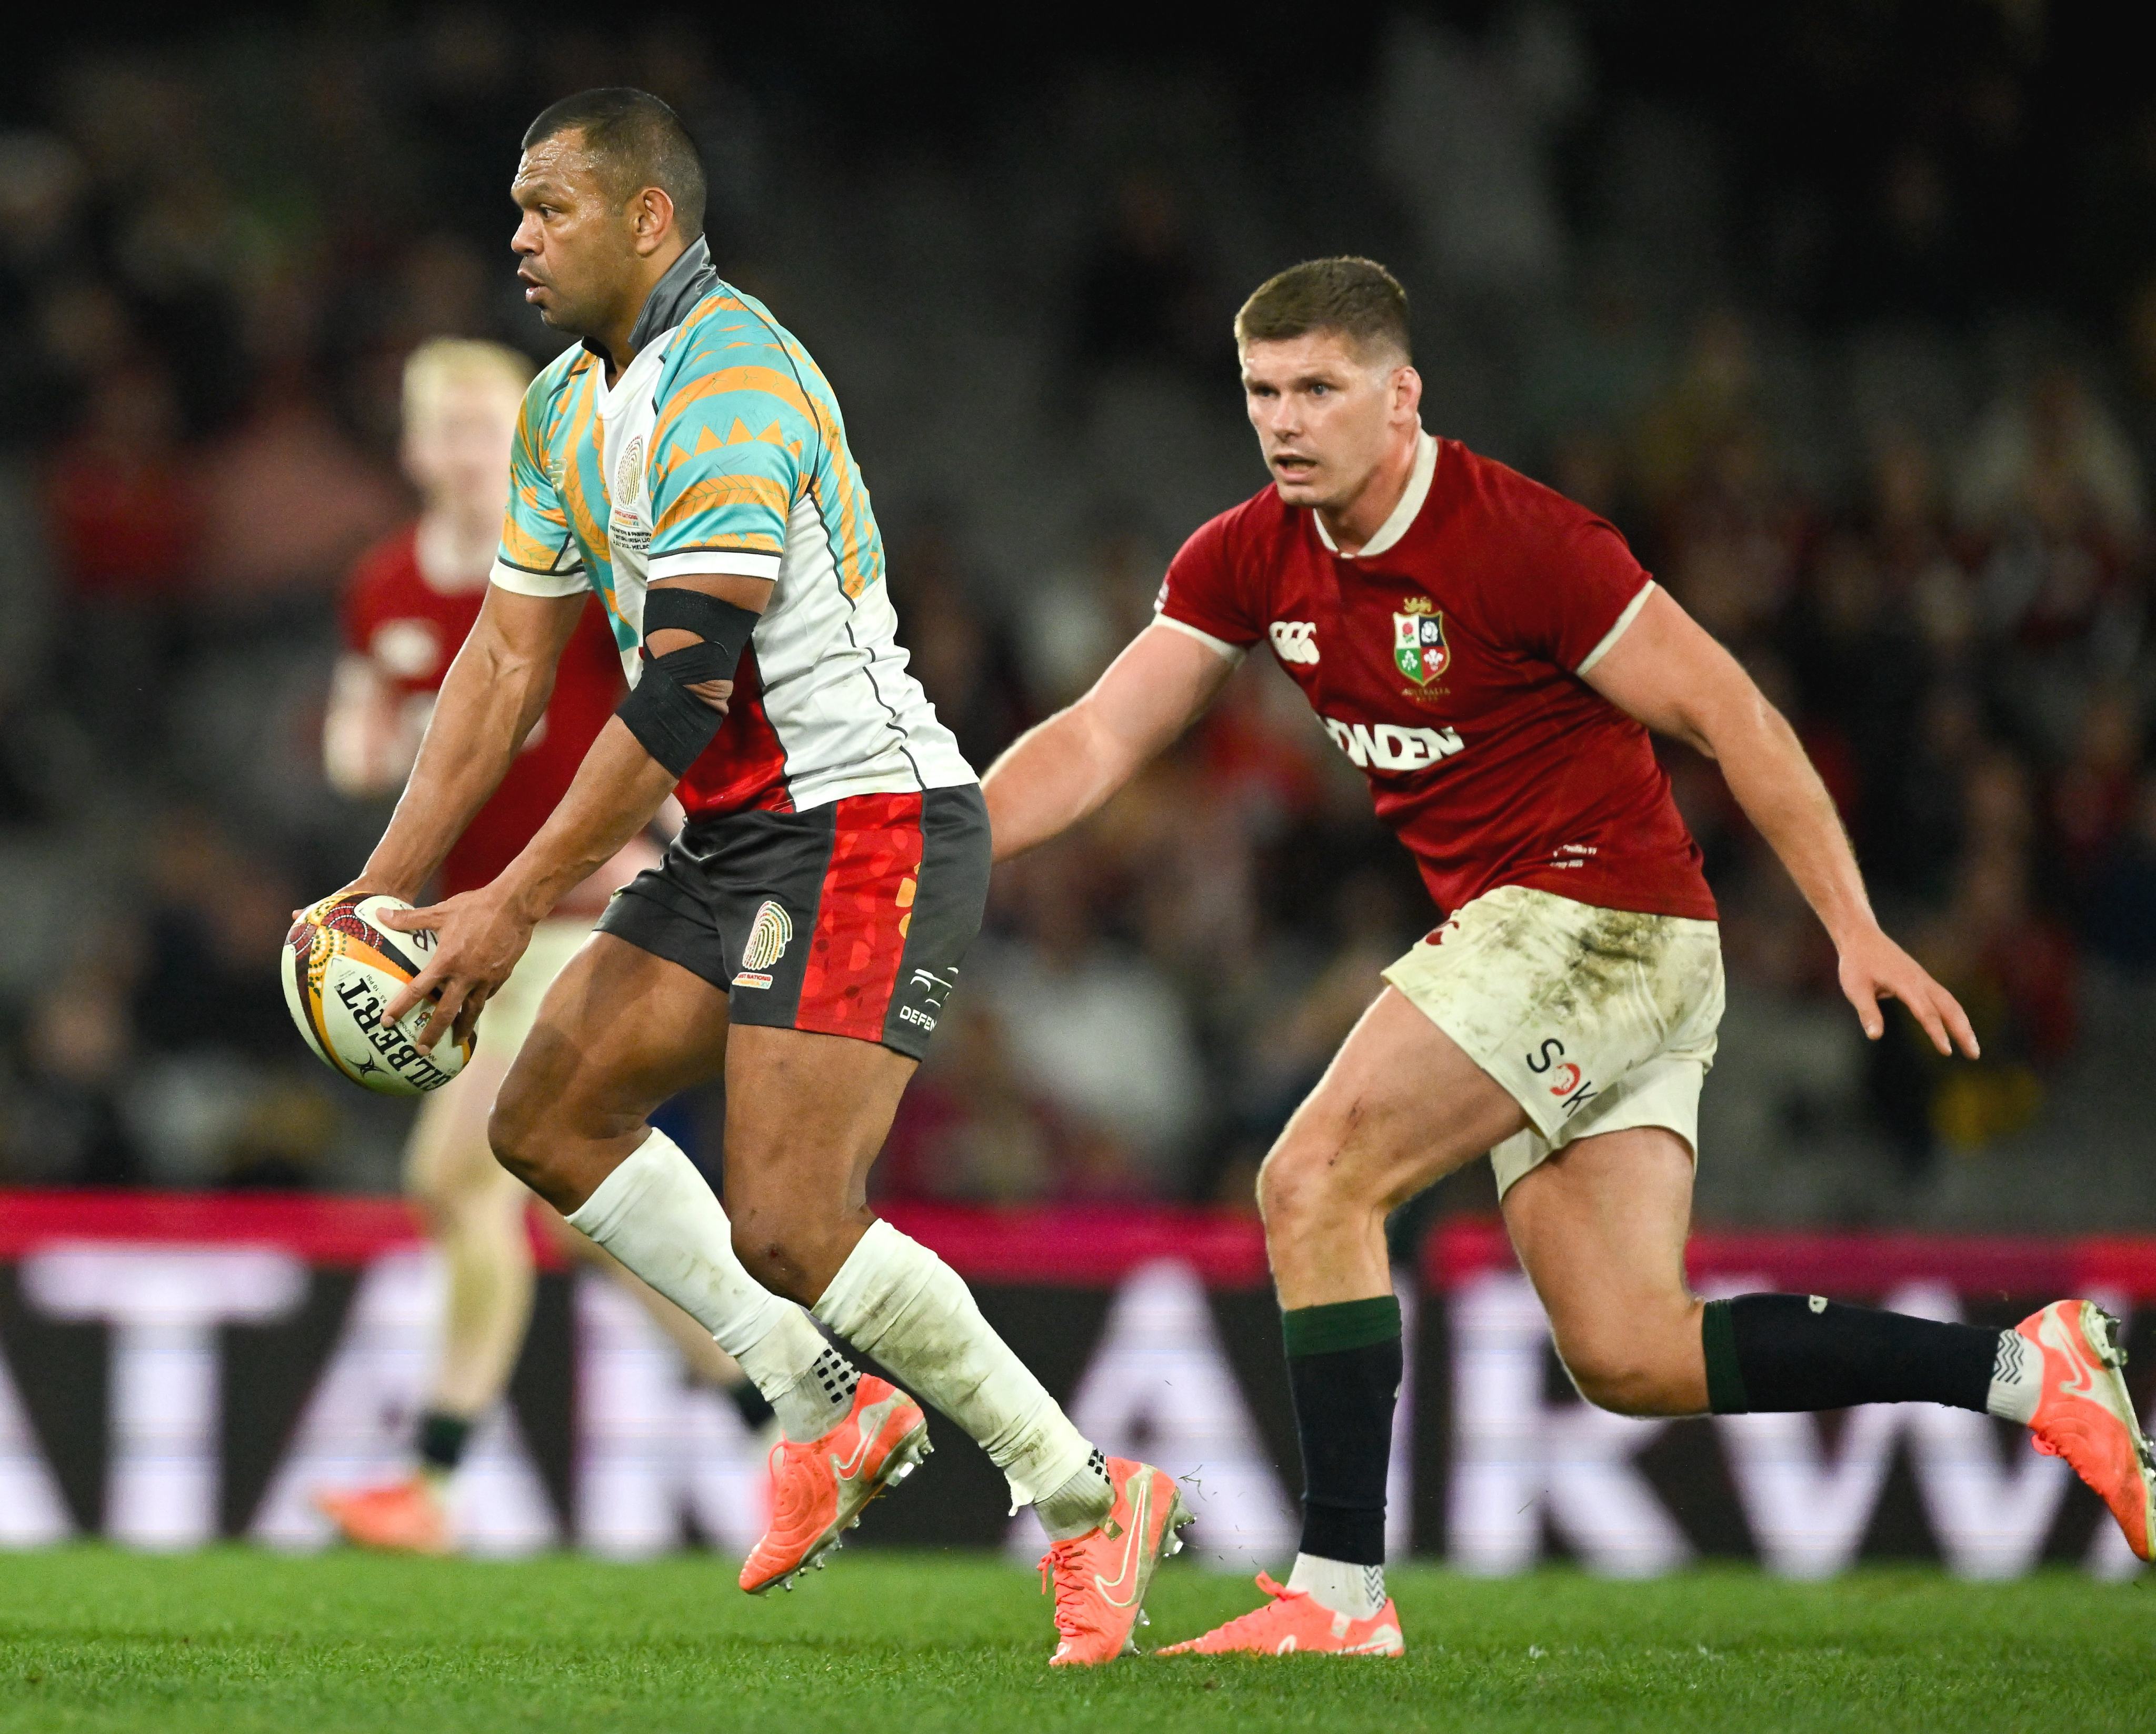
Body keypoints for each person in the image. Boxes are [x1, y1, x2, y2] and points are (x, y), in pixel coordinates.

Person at [983, 256, 2156, 1658]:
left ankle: (1339, 1591)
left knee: (1311, 1175)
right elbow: (1105, 733)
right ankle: (2034, 1370)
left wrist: (1852, 921)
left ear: (1401, 394)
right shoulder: (1250, 551)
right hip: (1580, 946)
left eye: (1320, 388)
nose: (1287, 421)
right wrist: (950, 839)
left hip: (1600, 918)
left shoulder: (1520, 538)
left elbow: (1734, 711)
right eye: (1262, 392)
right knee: (1629, 1351)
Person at [332, 90, 1181, 1663]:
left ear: (649, 218)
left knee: (792, 1217)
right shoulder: (562, 410)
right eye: (514, 209)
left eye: (550, 209)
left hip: (870, 821)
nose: (515, 235)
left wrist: (508, 898)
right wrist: (382, 885)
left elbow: (674, 697)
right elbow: (504, 665)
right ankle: (819, 1401)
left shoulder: (734, 387)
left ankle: (1085, 1494)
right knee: (545, 1119)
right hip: (746, 834)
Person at [314, 337, 773, 1554]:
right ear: (414, 448)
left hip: (574, 921)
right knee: (579, 1208)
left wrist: (684, 845)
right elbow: (356, 733)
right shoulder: (384, 585)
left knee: (449, 1178)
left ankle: (432, 1481)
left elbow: (665, 709)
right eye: (450, 429)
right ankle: (777, 1409)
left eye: (489, 428)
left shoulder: (563, 568)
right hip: (469, 934)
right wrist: (367, 748)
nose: (472, 453)